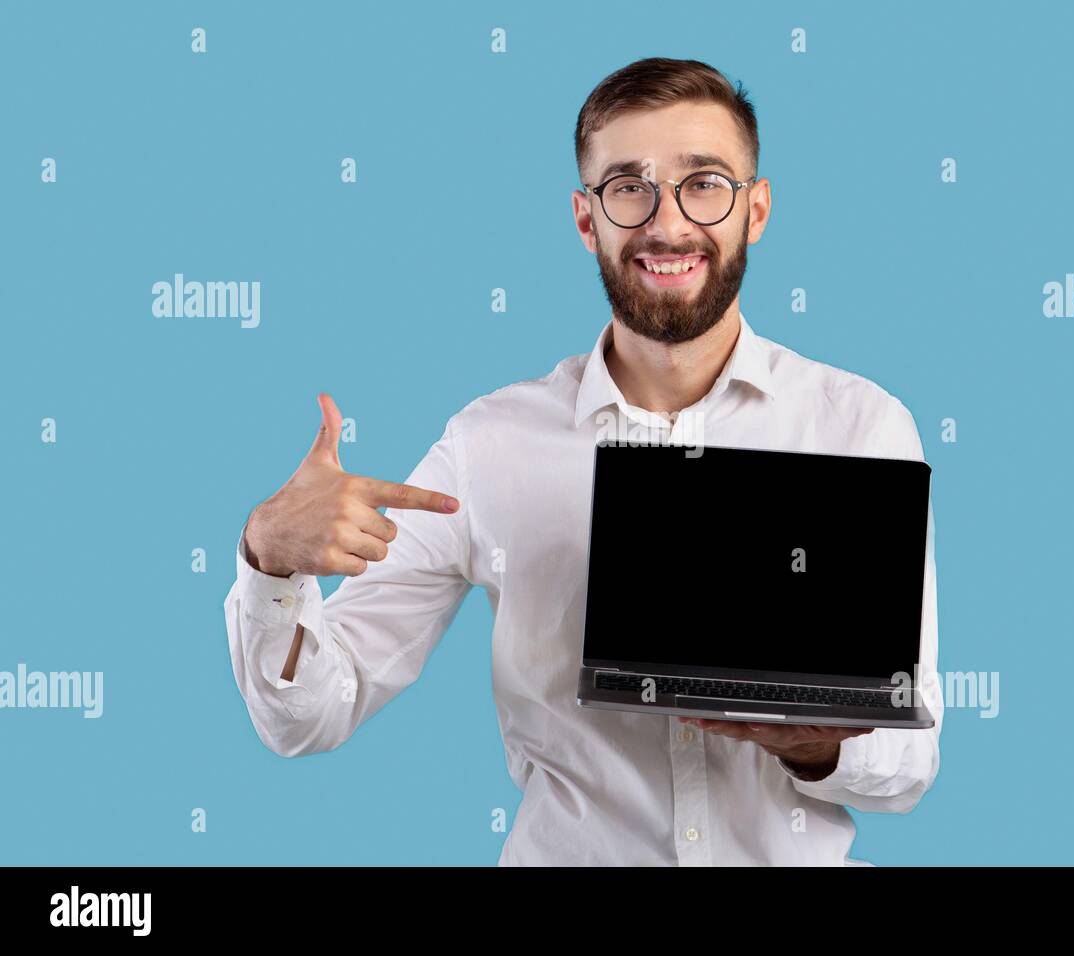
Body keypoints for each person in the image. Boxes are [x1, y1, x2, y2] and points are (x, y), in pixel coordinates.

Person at [225, 57, 943, 866]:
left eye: (703, 183)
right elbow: (312, 715)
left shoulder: (858, 427)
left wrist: (814, 745)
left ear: (757, 209)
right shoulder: (488, 446)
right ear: (585, 219)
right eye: (628, 188)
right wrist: (270, 564)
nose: (667, 225)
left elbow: (910, 763)